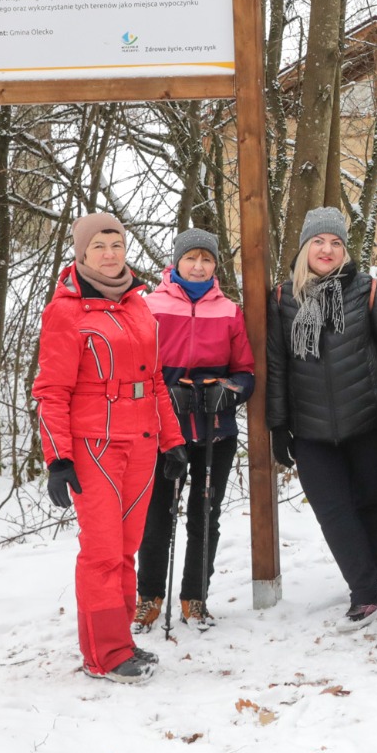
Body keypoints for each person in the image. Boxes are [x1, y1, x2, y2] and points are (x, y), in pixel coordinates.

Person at [34, 213, 187, 683]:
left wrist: (173, 439)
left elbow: (156, 381)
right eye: (99, 246)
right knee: (101, 552)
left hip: (140, 445)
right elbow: (50, 391)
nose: (109, 253)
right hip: (93, 448)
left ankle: (118, 640)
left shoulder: (138, 304)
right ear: (81, 254)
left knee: (126, 550)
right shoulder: (66, 310)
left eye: (116, 244)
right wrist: (58, 458)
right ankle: (104, 654)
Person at [268, 207, 377, 630]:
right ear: (304, 248)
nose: (327, 250)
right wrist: (278, 424)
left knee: (374, 506)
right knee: (333, 511)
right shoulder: (282, 299)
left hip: (368, 422)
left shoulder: (369, 291)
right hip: (310, 429)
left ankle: (367, 581)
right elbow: (277, 366)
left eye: (336, 243)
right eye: (319, 242)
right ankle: (365, 591)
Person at [135, 227, 256, 632]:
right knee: (157, 514)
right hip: (162, 428)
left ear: (215, 266)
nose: (199, 265)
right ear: (177, 262)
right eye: (192, 258)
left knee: (205, 515)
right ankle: (149, 595)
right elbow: (137, 367)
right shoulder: (149, 306)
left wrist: (230, 392)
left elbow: (245, 371)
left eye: (207, 259)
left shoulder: (229, 311)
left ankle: (195, 597)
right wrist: (165, 394)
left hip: (213, 428)